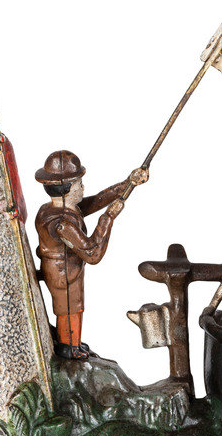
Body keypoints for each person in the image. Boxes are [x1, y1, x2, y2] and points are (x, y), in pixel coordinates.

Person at [35, 150, 147, 359]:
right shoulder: (61, 223)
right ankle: (68, 346)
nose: (82, 188)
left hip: (66, 271)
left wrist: (128, 183)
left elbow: (96, 201)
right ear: (66, 190)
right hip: (63, 274)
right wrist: (108, 218)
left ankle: (73, 343)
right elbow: (92, 252)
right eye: (79, 184)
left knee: (73, 308)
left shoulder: (58, 209)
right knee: (68, 309)